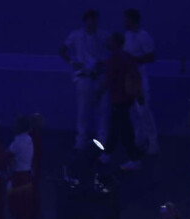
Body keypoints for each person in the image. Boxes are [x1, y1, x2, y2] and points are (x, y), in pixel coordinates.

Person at [60, 9, 109, 151]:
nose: (92, 22)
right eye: (90, 19)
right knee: (82, 109)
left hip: (99, 76)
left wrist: (104, 63)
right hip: (84, 76)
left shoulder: (103, 35)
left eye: (95, 19)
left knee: (103, 110)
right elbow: (62, 50)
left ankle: (102, 139)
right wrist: (72, 62)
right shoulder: (76, 35)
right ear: (85, 20)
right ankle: (81, 139)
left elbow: (114, 49)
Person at [103, 32, 143, 171]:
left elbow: (108, 81)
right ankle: (107, 154)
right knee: (118, 126)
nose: (107, 43)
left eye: (109, 41)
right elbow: (136, 76)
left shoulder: (113, 60)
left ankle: (133, 158)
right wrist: (139, 95)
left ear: (114, 43)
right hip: (128, 98)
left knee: (124, 129)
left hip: (118, 99)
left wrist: (98, 94)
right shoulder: (128, 57)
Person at [123, 8, 157, 155]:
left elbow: (151, 57)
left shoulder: (144, 37)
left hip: (140, 77)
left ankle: (153, 142)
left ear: (132, 20)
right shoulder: (127, 35)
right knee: (135, 112)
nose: (124, 22)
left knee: (144, 111)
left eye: (126, 19)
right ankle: (140, 140)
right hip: (129, 77)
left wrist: (134, 60)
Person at [7, 116, 36, 219]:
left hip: (19, 177)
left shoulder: (17, 143)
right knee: (25, 206)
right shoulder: (29, 139)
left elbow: (7, 156)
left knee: (19, 207)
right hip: (27, 175)